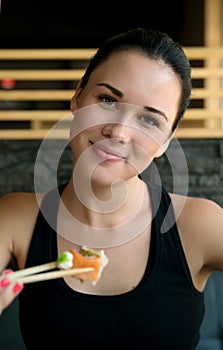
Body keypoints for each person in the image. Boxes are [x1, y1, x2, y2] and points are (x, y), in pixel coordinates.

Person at [0, 27, 222, 350]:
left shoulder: (198, 223)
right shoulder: (16, 218)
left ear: (165, 143)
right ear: (77, 96)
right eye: (107, 99)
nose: (118, 131)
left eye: (149, 120)